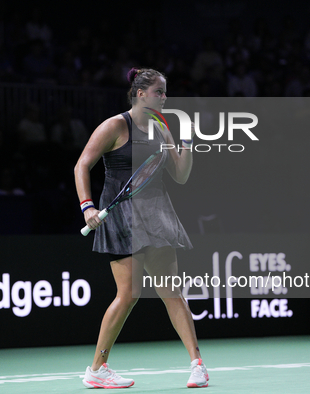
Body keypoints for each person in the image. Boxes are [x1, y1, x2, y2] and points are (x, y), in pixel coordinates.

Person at [74, 68, 209, 389]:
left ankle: (198, 365)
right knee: (129, 294)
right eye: (159, 92)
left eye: (165, 92)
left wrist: (187, 141)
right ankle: (97, 368)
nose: (164, 97)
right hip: (122, 217)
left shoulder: (163, 130)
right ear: (140, 94)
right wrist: (87, 205)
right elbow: (82, 164)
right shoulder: (116, 125)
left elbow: (181, 175)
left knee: (172, 291)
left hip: (157, 214)